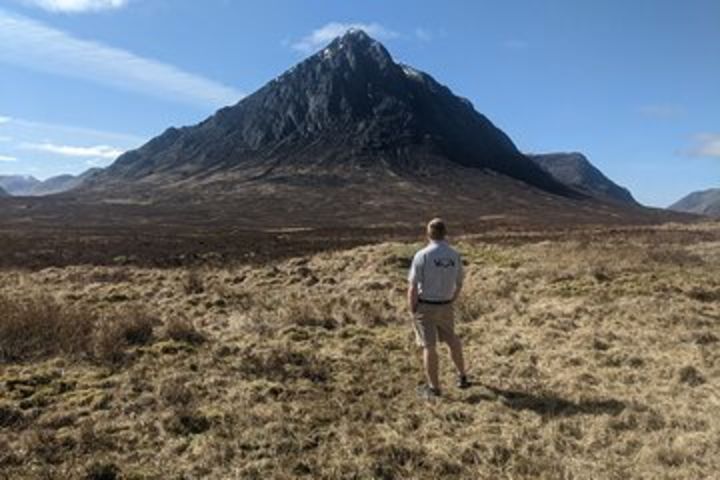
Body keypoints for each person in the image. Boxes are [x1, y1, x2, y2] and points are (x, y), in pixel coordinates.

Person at [408, 218, 469, 399]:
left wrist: (412, 308)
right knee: (452, 339)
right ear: (445, 233)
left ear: (428, 233)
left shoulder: (422, 255)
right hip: (446, 304)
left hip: (426, 305)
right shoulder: (454, 255)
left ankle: (434, 388)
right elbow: (459, 283)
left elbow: (412, 285)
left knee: (429, 346)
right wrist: (451, 299)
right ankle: (462, 376)